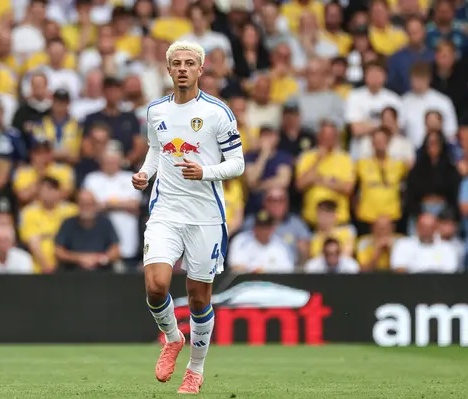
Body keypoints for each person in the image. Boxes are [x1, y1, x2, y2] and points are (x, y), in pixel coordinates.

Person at [131, 41, 245, 394]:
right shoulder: (155, 111)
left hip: (206, 217)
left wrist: (205, 172)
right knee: (156, 286)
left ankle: (195, 370)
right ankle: (171, 338)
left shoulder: (218, 112)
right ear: (168, 70)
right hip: (166, 210)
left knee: (198, 297)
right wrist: (145, 174)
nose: (182, 68)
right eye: (176, 63)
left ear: (200, 69)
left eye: (189, 63)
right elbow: (156, 149)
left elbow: (237, 164)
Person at [54, 190, 120, 272]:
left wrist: (100, 259)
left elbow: (116, 250)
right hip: (73, 274)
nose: (86, 208)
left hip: (102, 273)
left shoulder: (105, 223)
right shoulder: (68, 223)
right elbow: (58, 251)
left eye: (89, 204)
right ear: (77, 205)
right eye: (83, 204)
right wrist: (79, 258)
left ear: (95, 205)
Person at [228, 210, 294, 273]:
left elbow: (288, 270)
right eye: (260, 226)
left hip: (275, 282)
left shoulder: (281, 245)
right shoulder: (241, 241)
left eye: (266, 227)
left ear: (272, 228)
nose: (263, 230)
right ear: (254, 227)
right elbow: (236, 268)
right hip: (248, 282)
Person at [391, 213, 459, 273]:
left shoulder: (448, 248)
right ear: (417, 227)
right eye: (423, 227)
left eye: (430, 228)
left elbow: (450, 273)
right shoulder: (403, 244)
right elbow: (399, 269)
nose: (426, 231)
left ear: (436, 228)